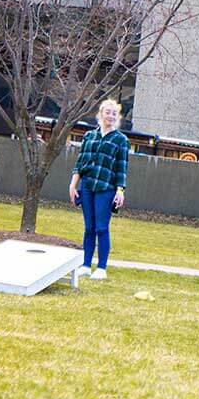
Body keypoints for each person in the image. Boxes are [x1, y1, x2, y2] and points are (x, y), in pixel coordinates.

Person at [70, 99, 129, 281]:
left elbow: (122, 168)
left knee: (102, 228)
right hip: (87, 186)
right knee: (89, 228)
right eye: (107, 112)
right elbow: (80, 162)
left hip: (106, 188)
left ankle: (101, 268)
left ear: (117, 117)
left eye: (114, 113)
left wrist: (120, 190)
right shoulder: (89, 136)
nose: (110, 116)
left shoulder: (121, 140)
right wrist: (73, 185)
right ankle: (86, 265)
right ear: (100, 114)